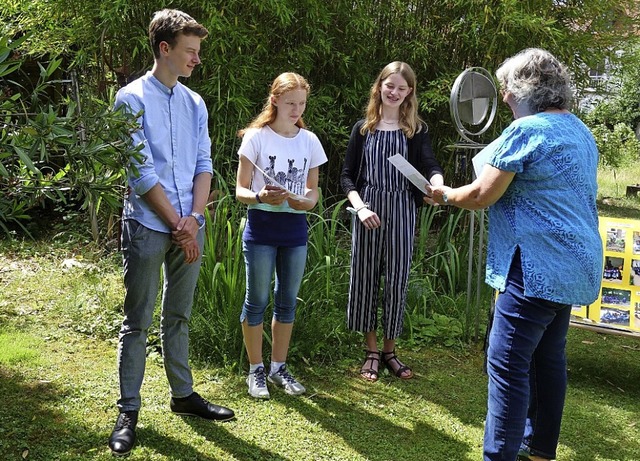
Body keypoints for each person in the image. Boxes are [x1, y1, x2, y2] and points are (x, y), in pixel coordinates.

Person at [429, 48, 603, 461]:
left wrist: (445, 195)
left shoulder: (526, 131)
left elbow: (480, 194)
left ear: (526, 89)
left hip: (535, 267)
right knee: (548, 360)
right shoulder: (578, 129)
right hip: (575, 263)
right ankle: (540, 449)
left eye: (507, 86)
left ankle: (499, 455)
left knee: (506, 363)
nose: (503, 95)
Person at [108, 9, 234, 457]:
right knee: (137, 320)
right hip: (146, 224)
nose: (197, 60)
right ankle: (128, 410)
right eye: (191, 51)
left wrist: (194, 220)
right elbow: (140, 173)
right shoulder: (129, 99)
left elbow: (205, 165)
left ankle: (183, 396)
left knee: (178, 316)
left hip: (188, 226)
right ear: (165, 49)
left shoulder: (195, 103)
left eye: (197, 52)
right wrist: (178, 224)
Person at [340, 62, 444, 382]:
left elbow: (430, 165)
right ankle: (371, 351)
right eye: (390, 86)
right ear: (379, 86)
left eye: (401, 88)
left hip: (402, 209)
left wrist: (437, 184)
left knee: (397, 280)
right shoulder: (363, 128)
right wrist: (360, 208)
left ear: (409, 92)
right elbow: (346, 177)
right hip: (368, 210)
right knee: (366, 279)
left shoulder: (417, 130)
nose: (394, 92)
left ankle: (390, 351)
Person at [235, 72, 327, 399]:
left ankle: (278, 368)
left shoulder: (310, 141)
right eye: (291, 103)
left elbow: (314, 194)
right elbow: (241, 190)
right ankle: (255, 370)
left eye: (301, 104)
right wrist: (261, 197)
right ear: (274, 100)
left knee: (287, 302)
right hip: (261, 226)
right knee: (257, 300)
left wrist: (301, 200)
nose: (297, 110)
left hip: (295, 230)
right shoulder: (257, 138)